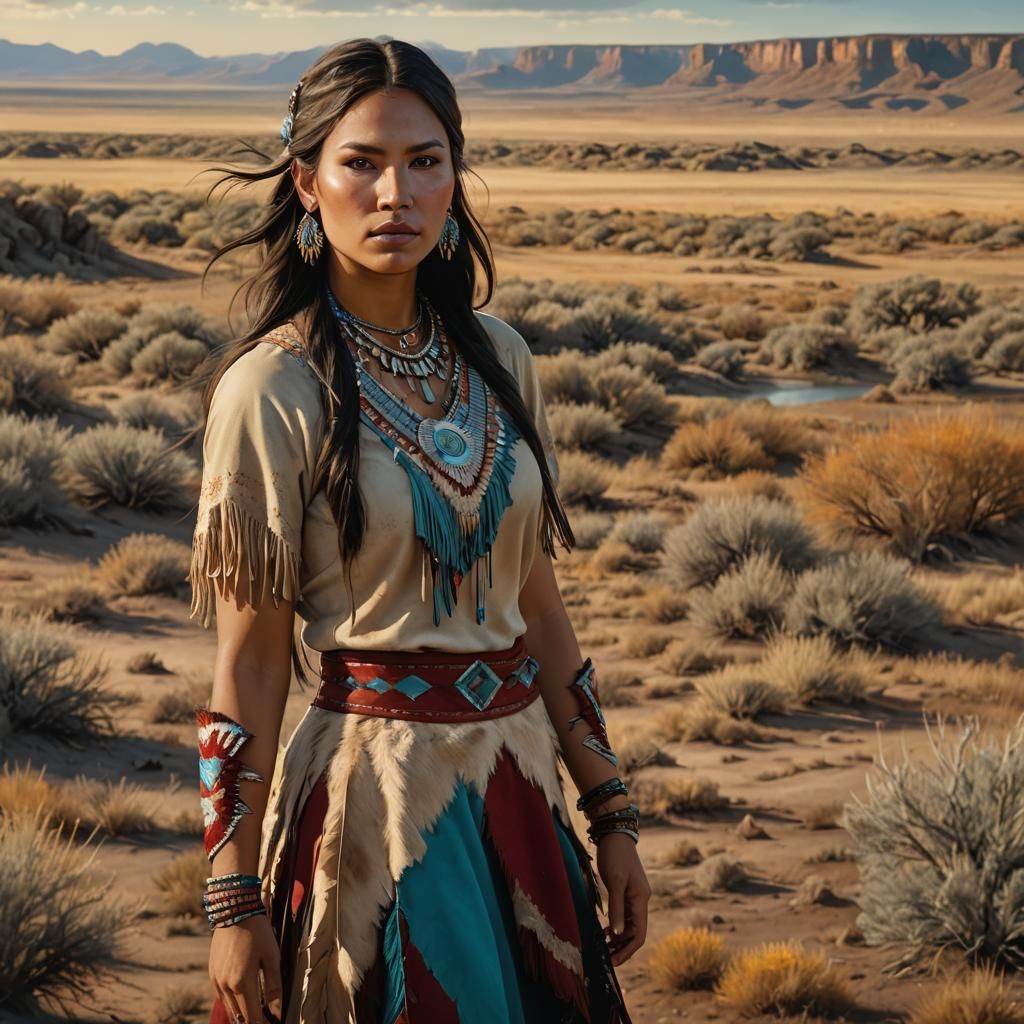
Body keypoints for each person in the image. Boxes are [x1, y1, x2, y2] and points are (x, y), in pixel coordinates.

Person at [185, 37, 650, 1024]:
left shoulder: (500, 359)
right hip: (369, 809)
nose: (395, 191)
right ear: (306, 182)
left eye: (424, 160)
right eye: (362, 162)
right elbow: (251, 664)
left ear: (454, 177)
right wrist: (230, 894)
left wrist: (608, 811)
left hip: (519, 790)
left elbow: (538, 606)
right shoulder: (272, 387)